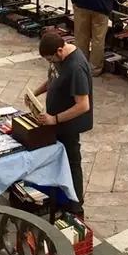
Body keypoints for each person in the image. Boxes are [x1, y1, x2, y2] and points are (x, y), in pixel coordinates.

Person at [34, 32, 93, 216]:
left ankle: (76, 206)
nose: (50, 62)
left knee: (72, 161)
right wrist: (35, 93)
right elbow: (53, 78)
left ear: (60, 50)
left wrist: (55, 119)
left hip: (68, 125)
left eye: (50, 58)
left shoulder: (76, 67)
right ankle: (60, 197)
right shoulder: (58, 59)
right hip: (56, 122)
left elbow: (83, 105)